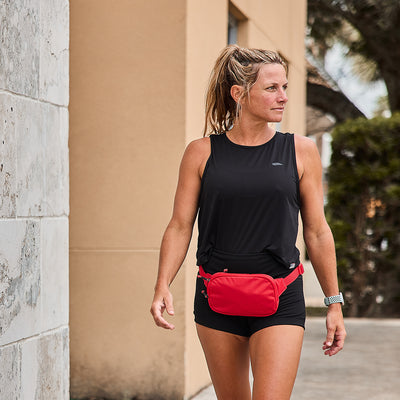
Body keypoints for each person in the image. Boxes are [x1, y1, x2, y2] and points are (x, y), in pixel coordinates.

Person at [150, 45, 346, 400]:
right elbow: (180, 225)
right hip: (216, 298)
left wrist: (334, 302)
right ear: (239, 94)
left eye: (284, 87)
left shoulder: (300, 151)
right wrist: (162, 284)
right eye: (272, 88)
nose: (283, 97)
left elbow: (317, 231)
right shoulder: (201, 152)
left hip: (281, 297)